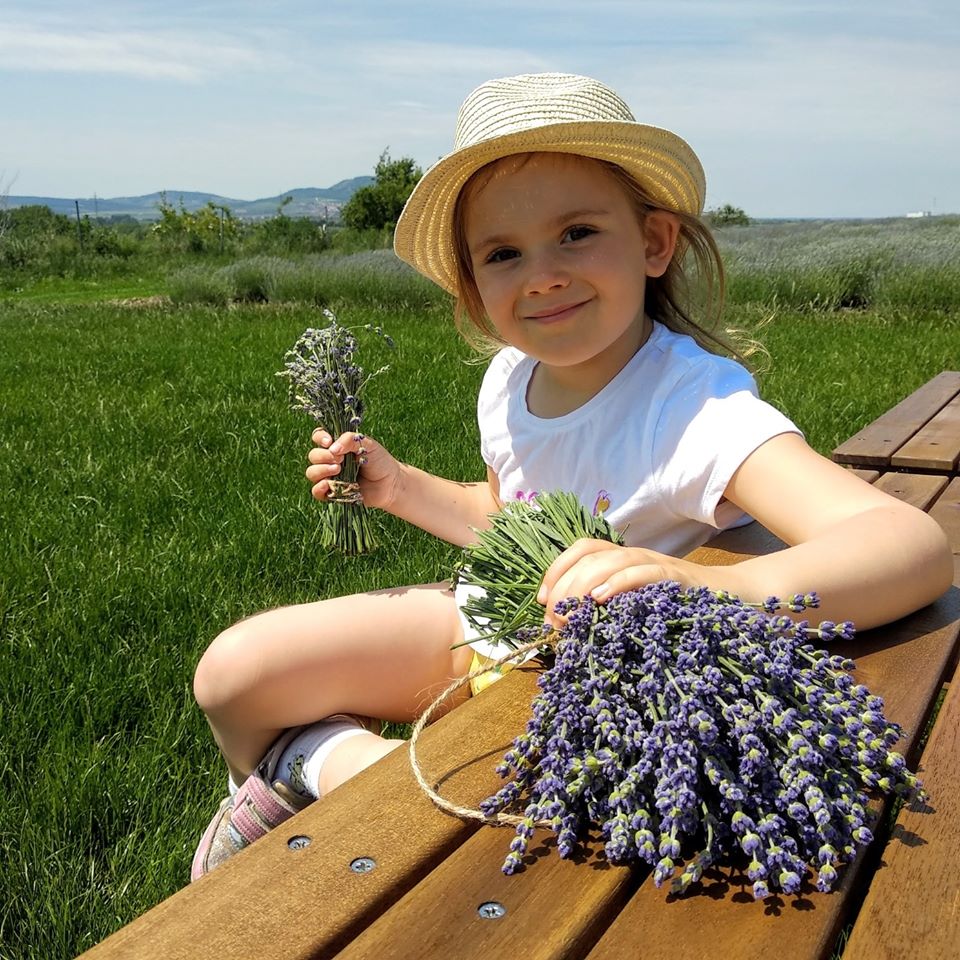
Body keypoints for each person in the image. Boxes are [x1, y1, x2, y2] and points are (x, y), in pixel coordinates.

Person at [190, 72, 952, 880]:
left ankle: (326, 784)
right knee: (233, 675)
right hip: (489, 628)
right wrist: (400, 487)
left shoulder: (692, 409)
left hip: (600, 685)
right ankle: (323, 786)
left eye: (578, 233)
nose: (542, 274)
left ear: (655, 243)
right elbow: (505, 519)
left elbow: (909, 543)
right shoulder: (508, 382)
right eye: (504, 253)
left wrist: (695, 589)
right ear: (477, 291)